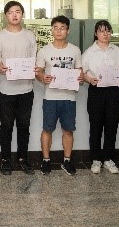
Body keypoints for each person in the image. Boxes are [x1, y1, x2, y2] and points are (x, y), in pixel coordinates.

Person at [35, 15, 83, 176]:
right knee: (47, 129)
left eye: (62, 28)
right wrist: (43, 77)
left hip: (69, 97)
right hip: (50, 97)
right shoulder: (44, 50)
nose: (58, 31)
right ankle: (46, 160)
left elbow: (80, 71)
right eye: (55, 28)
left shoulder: (75, 50)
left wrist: (80, 77)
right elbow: (39, 72)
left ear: (68, 31)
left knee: (68, 130)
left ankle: (67, 160)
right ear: (51, 30)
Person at [0, 1, 37, 175]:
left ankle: (23, 159)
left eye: (17, 11)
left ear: (22, 14)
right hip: (6, 89)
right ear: (6, 15)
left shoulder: (30, 35)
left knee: (24, 126)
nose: (14, 15)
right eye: (11, 12)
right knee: (6, 126)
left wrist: (34, 69)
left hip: (26, 89)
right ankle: (5, 160)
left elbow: (33, 59)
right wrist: (0, 67)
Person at [81, 20, 119, 175]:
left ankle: (108, 159)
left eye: (108, 30)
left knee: (111, 126)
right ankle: (96, 159)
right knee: (95, 126)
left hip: (113, 92)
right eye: (102, 31)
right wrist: (89, 79)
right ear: (96, 34)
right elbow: (81, 72)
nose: (105, 34)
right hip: (96, 92)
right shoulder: (89, 52)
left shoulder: (117, 51)